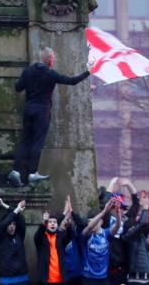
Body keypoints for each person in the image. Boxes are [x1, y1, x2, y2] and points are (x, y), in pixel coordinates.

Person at [8, 47, 90, 187]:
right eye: (53, 58)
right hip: (42, 111)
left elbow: (17, 87)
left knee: (25, 141)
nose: (54, 60)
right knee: (37, 142)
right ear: (50, 59)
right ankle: (32, 173)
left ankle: (15, 172)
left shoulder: (28, 71)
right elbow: (71, 81)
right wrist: (88, 72)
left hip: (28, 109)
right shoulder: (50, 74)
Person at [0, 199, 29, 285]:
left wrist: (4, 205)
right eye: (9, 224)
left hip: (22, 279)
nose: (11, 226)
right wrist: (16, 210)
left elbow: (20, 217)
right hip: (6, 281)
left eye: (13, 224)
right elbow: (4, 224)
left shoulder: (19, 236)